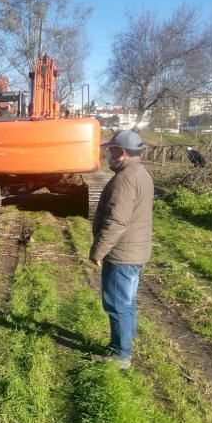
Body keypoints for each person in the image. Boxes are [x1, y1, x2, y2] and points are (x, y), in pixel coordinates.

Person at [89, 130, 153, 370]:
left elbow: (117, 221)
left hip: (122, 253)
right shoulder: (140, 173)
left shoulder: (125, 179)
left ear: (121, 152)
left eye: (111, 150)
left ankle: (120, 354)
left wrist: (98, 251)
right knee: (126, 301)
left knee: (117, 303)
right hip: (135, 250)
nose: (108, 155)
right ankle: (124, 344)